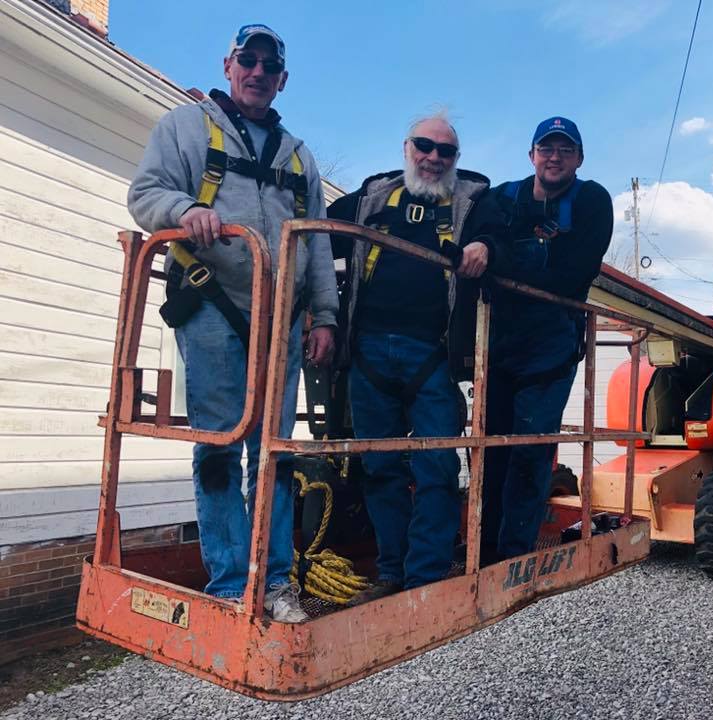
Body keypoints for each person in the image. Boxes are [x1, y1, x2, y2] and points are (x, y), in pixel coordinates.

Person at [127, 24, 338, 622]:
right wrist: (185, 209)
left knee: (273, 454)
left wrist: (324, 315)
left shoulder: (298, 155)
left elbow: (316, 242)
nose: (258, 73)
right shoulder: (186, 127)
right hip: (214, 309)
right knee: (219, 447)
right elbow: (145, 194)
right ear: (228, 65)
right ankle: (227, 586)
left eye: (270, 66)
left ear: (282, 80)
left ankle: (273, 582)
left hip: (284, 321)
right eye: (249, 60)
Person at [327, 111, 503, 602]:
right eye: (424, 146)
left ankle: (425, 575)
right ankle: (392, 572)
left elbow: (500, 234)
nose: (433, 158)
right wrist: (317, 318)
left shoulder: (474, 202)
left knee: (438, 468)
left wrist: (485, 245)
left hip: (433, 354)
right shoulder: (372, 197)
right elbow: (317, 233)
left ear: (456, 159)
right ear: (406, 148)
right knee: (380, 468)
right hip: (367, 353)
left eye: (445, 151)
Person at [480, 116, 614, 562]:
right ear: (532, 155)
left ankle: (513, 557)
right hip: (498, 345)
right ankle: (481, 552)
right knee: (487, 450)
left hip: (551, 349)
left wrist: (503, 261)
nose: (554, 157)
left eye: (565, 150)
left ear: (579, 158)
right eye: (546, 148)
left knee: (529, 451)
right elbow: (477, 241)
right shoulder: (503, 196)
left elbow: (573, 274)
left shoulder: (592, 200)